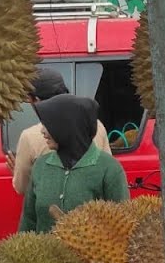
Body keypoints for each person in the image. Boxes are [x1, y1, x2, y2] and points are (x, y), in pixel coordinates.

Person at [19, 94, 128, 233]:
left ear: (68, 126)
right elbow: (29, 221)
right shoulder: (41, 166)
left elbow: (122, 227)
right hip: (44, 254)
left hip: (88, 255)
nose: (43, 131)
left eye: (48, 125)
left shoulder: (109, 169)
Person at [8, 68, 111, 197]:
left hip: (54, 212)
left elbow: (23, 188)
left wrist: (17, 175)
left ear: (37, 100)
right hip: (93, 210)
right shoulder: (97, 125)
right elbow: (108, 173)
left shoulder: (29, 137)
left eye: (30, 101)